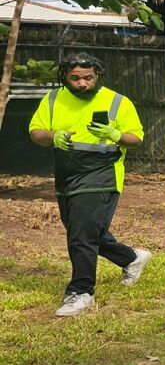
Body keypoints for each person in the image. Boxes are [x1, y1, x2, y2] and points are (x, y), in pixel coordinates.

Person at [28, 52, 152, 316]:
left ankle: (81, 292)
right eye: (75, 78)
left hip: (103, 174)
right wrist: (54, 136)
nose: (82, 83)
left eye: (87, 78)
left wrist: (116, 134)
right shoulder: (52, 99)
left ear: (97, 77)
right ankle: (132, 258)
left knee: (81, 234)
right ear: (65, 78)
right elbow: (36, 132)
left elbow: (136, 138)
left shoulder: (118, 101)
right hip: (67, 175)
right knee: (83, 231)